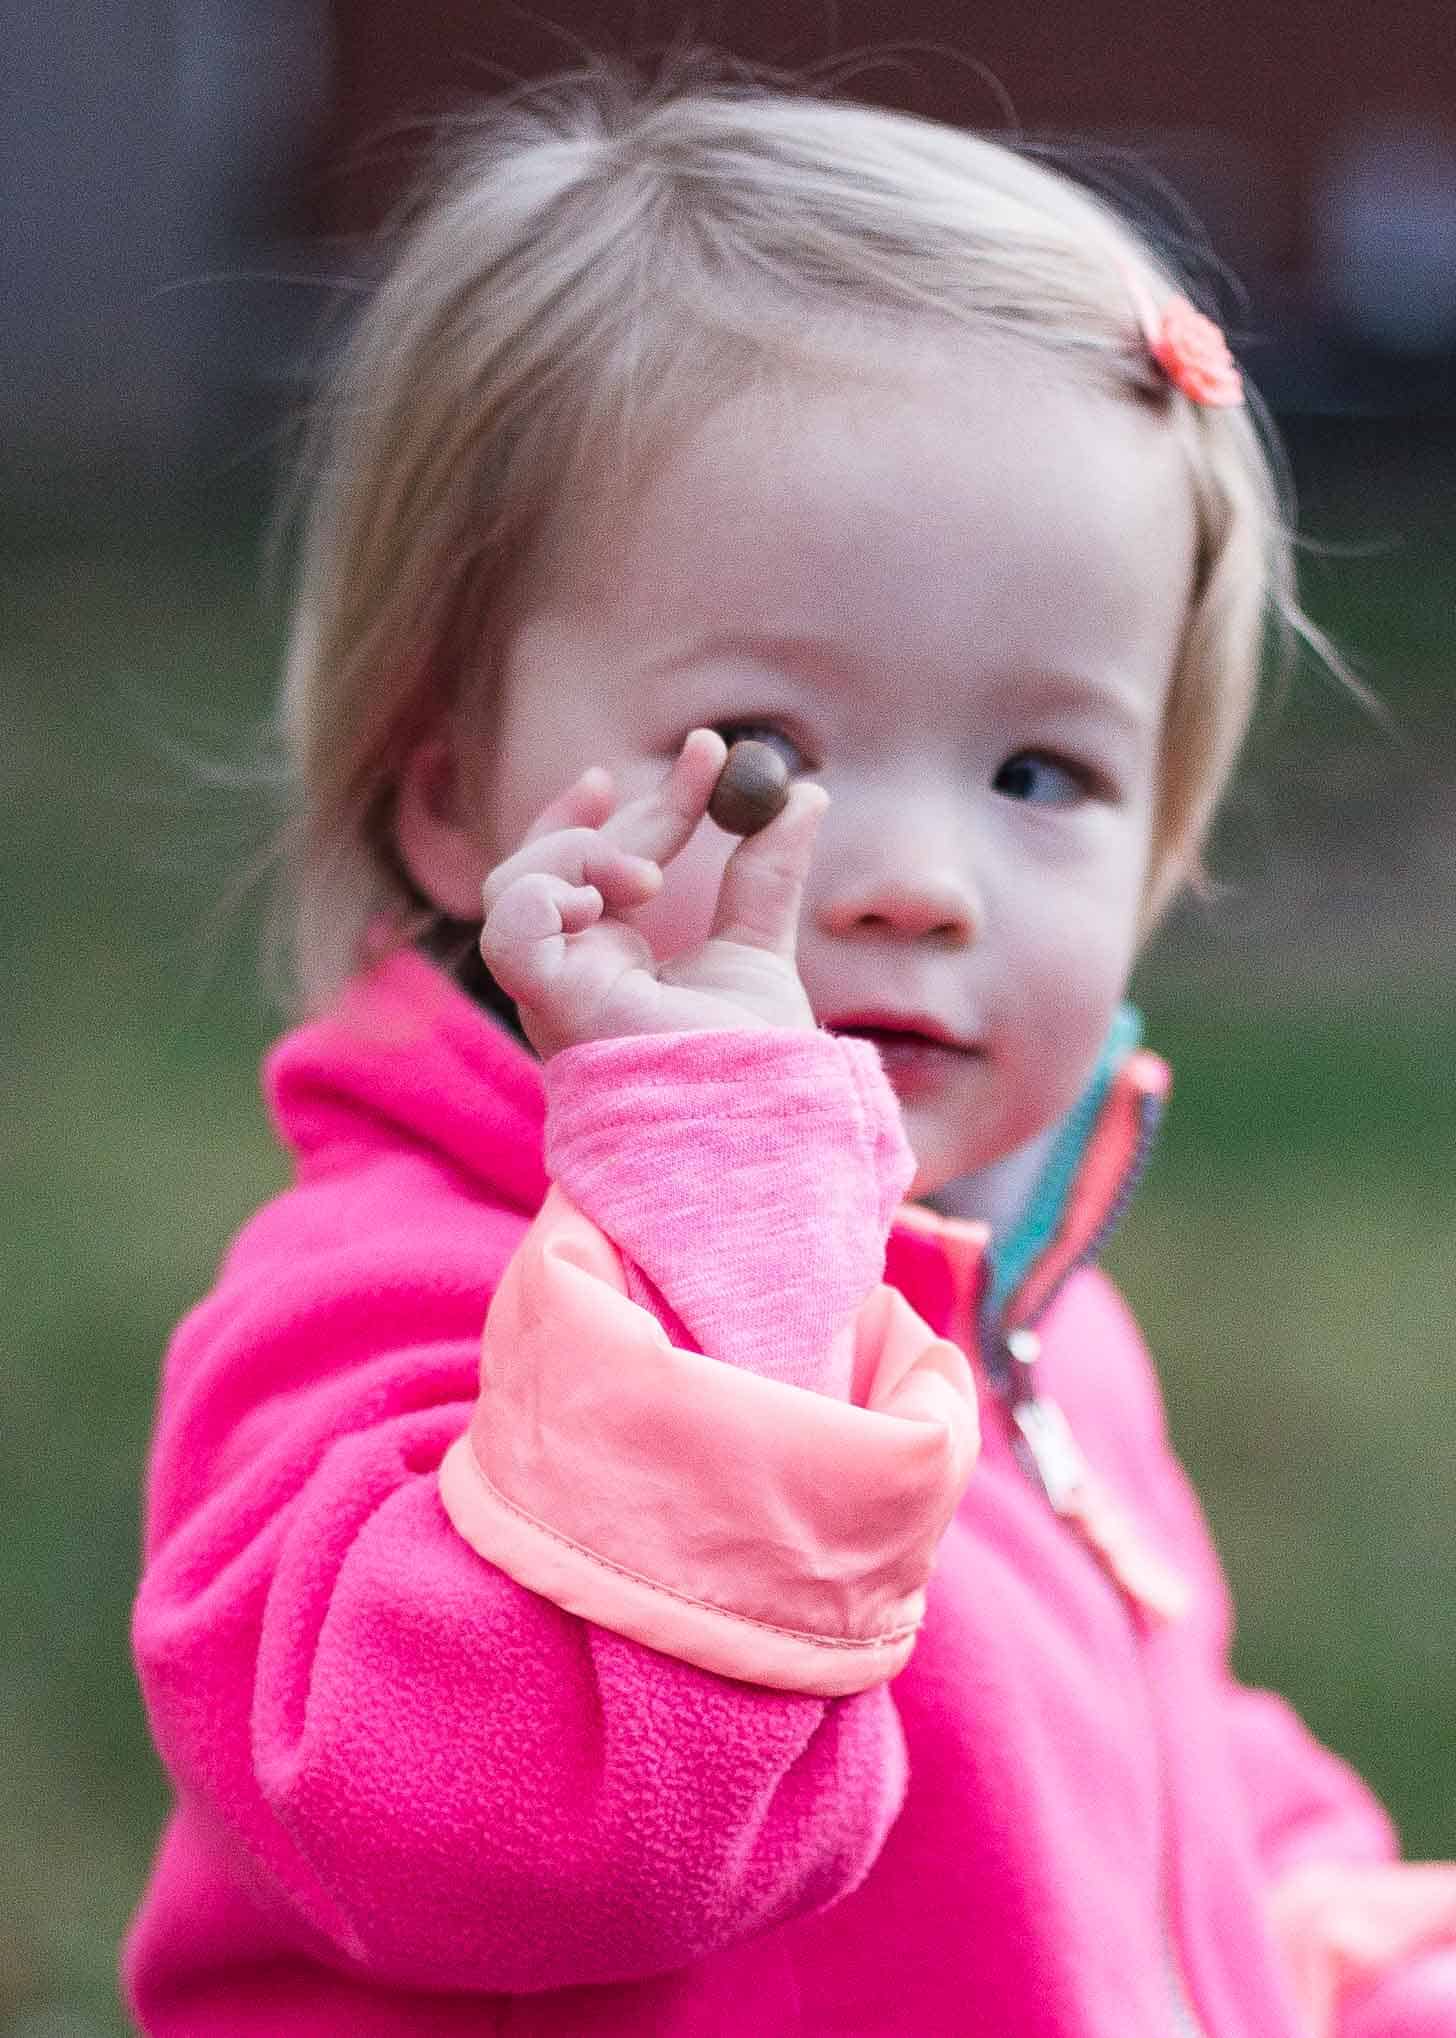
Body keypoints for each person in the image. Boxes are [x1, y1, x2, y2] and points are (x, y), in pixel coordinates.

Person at [123, 60, 1456, 2038]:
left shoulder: (1010, 1286)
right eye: (761, 759)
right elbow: (516, 1833)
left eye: (1036, 769)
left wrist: (1336, 1942)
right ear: (452, 804)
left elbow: (1150, 1751)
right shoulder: (396, 1294)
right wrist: (727, 1223)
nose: (916, 877)